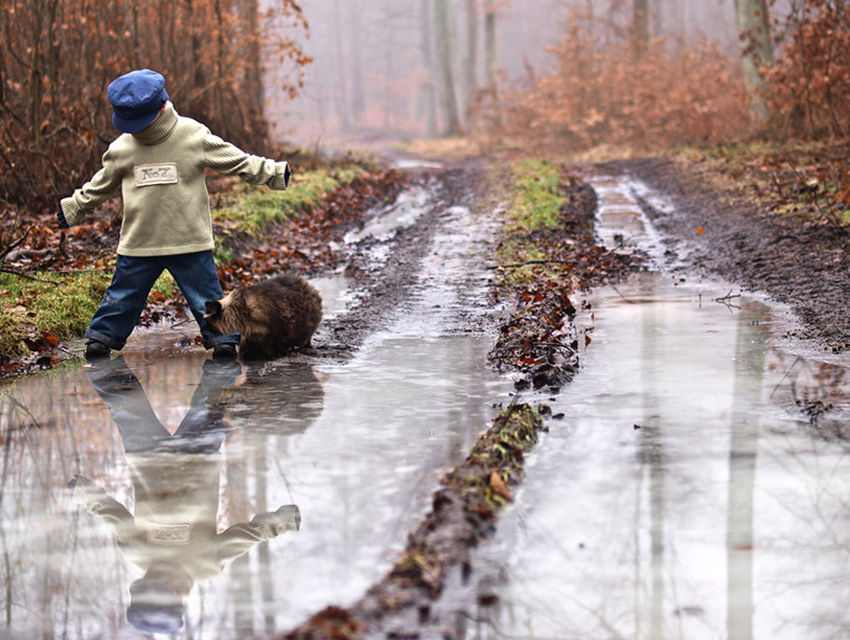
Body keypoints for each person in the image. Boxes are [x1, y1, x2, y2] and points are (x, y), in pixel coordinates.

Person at [57, 68, 292, 361]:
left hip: (189, 242)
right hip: (139, 244)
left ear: (159, 107)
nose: (134, 129)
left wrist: (273, 173)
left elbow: (236, 160)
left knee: (206, 299)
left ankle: (222, 341)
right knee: (122, 298)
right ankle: (102, 339)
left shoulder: (193, 136)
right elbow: (99, 187)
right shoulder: (121, 149)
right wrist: (73, 208)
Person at [69, 356, 301, 634]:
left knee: (127, 407)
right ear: (178, 598)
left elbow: (113, 514)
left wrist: (85, 493)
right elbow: (248, 535)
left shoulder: (137, 551)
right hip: (197, 455)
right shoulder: (205, 565)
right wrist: (281, 523)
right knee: (210, 406)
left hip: (147, 457)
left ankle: (101, 360)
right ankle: (224, 350)